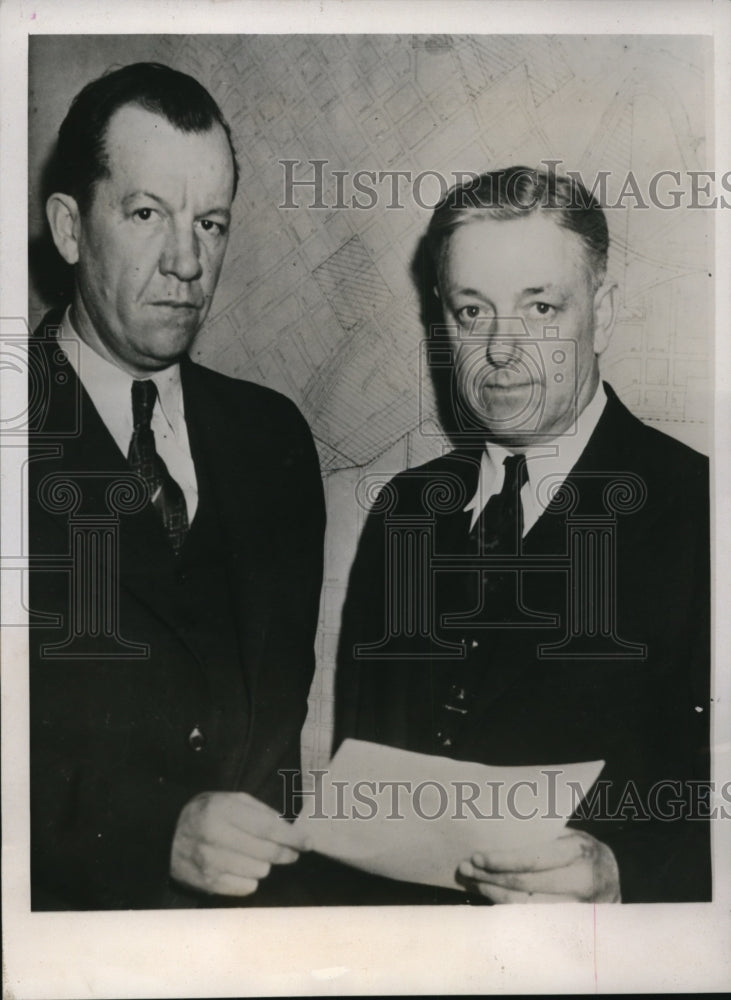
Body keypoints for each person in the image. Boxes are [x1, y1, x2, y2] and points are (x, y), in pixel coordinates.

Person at [335, 166, 711, 904]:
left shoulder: (702, 513)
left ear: (602, 311)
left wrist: (622, 876)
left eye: (539, 308)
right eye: (470, 312)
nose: (501, 349)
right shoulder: (403, 514)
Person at [28, 63, 325, 910]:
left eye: (212, 222)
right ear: (71, 227)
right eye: (148, 214)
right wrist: (147, 834)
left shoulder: (273, 441)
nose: (188, 261)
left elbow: (275, 751)